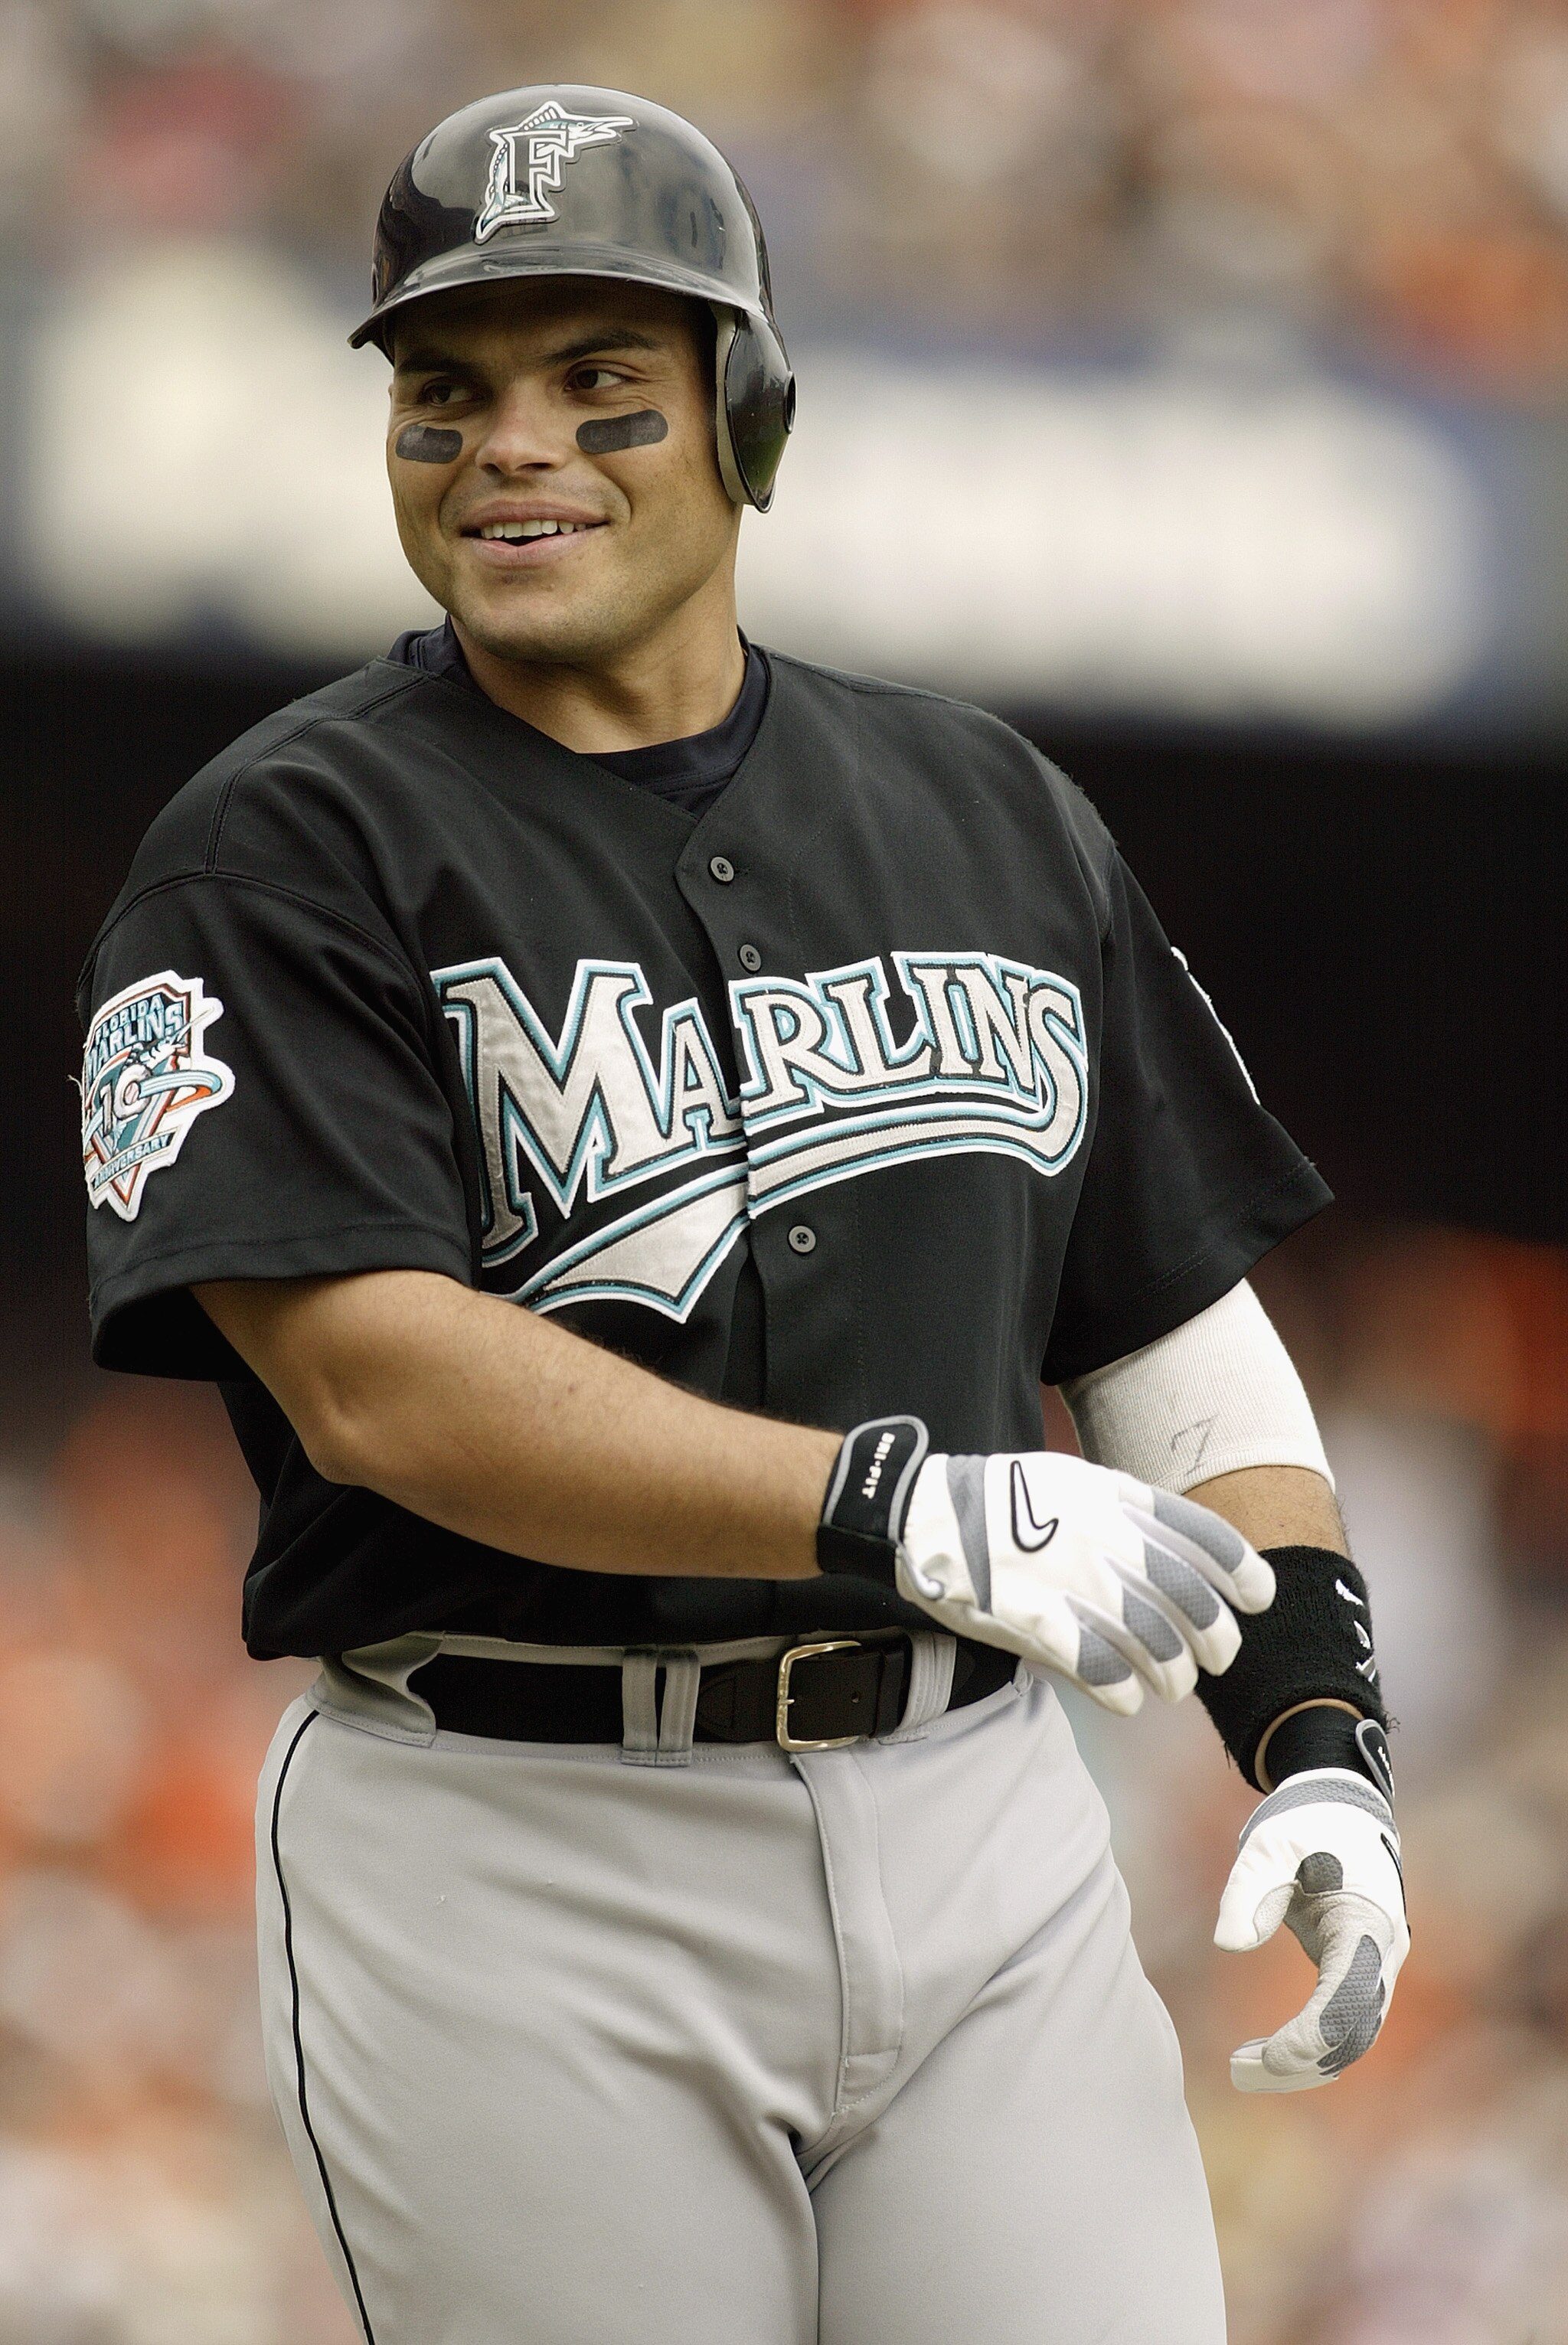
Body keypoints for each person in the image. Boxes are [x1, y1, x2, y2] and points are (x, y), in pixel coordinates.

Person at [77, 86, 1407, 2345]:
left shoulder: (988, 806)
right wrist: (894, 1506)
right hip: (513, 1836)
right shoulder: (283, 847)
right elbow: (370, 1374)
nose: (517, 446)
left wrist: (1317, 1737)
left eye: (606, 388)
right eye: (449, 393)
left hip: (981, 1816)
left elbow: (1176, 1328)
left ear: (747, 417)